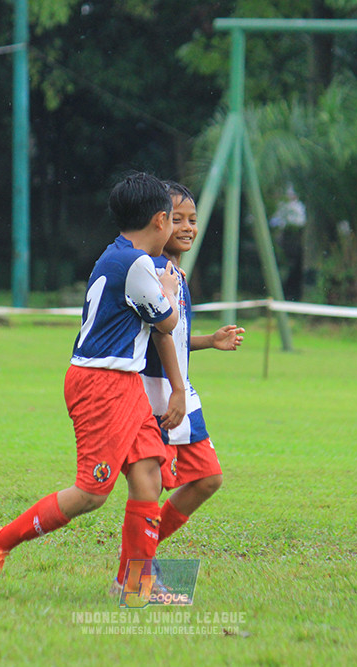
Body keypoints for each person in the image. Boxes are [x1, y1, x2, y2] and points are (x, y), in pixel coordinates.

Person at [0, 172, 180, 595]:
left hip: (123, 382)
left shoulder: (115, 254)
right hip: (102, 383)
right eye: (174, 221)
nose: (176, 230)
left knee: (147, 479)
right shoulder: (139, 265)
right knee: (91, 492)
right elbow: (168, 321)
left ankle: (136, 584)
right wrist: (170, 289)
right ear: (160, 221)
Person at [113, 182, 244, 590]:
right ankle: (136, 574)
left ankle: (136, 563)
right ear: (158, 221)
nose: (187, 227)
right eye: (177, 219)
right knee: (148, 488)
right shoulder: (149, 270)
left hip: (180, 389)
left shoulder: (175, 273)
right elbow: (158, 335)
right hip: (157, 393)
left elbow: (176, 334)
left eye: (192, 219)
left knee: (207, 478)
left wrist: (207, 341)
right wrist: (177, 389)